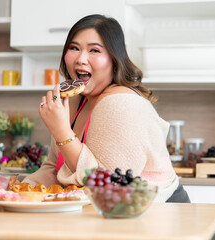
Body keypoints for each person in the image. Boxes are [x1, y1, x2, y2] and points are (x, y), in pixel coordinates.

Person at [23, 14, 190, 203]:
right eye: (74, 48)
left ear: (114, 59)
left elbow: (108, 186)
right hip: (101, 213)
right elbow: (53, 168)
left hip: (153, 213)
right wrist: (15, 191)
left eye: (94, 50)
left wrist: (61, 131)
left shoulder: (121, 104)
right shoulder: (75, 101)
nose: (81, 59)